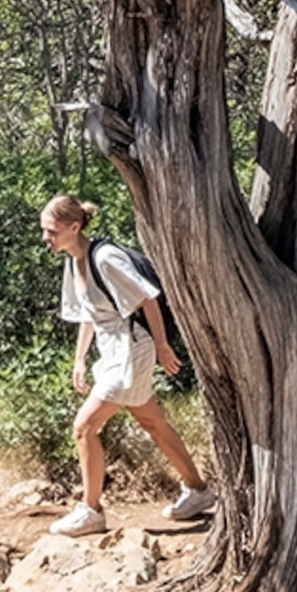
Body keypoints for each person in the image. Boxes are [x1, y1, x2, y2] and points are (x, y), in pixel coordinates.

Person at [39, 192, 213, 538]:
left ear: (74, 227)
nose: (46, 238)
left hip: (132, 349)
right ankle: (198, 491)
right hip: (112, 351)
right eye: (45, 231)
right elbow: (89, 315)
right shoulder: (74, 261)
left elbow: (148, 297)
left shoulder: (105, 258)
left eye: (52, 231)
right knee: (152, 422)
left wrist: (162, 346)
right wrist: (78, 360)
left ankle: (91, 511)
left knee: (84, 427)